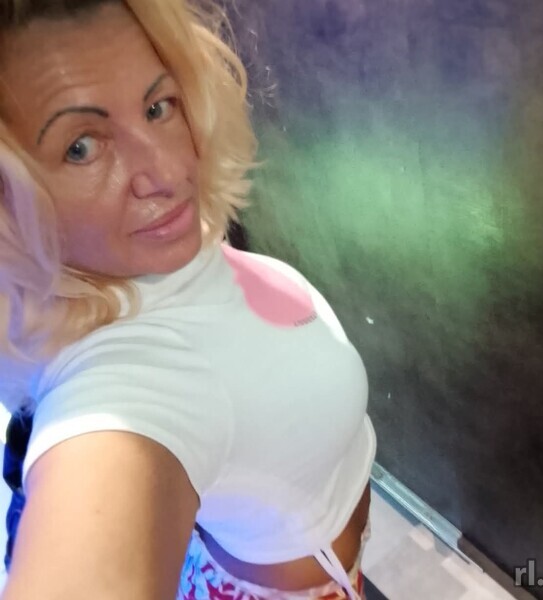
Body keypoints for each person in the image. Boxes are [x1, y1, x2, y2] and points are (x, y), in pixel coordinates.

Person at [0, 1, 377, 598]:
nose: (170, 170)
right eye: (82, 147)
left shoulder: (148, 253)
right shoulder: (127, 377)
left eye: (158, 107)